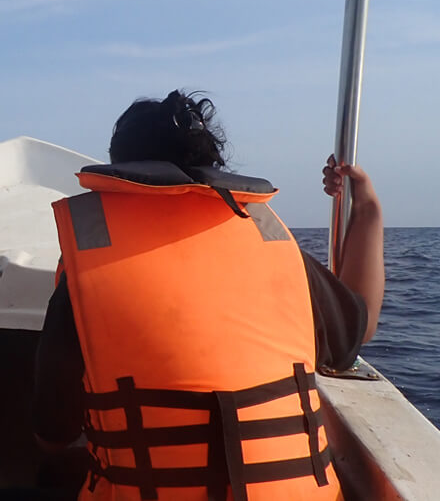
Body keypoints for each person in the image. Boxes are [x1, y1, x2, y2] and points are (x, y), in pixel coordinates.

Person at [30, 90, 384, 501]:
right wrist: (368, 208)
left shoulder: (87, 274)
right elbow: (364, 324)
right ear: (211, 165)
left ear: (119, 172)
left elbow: (53, 436)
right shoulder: (273, 246)